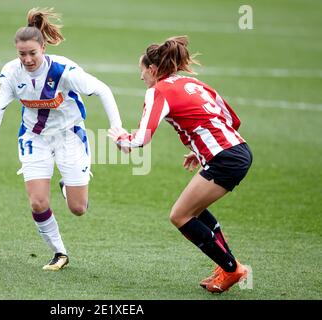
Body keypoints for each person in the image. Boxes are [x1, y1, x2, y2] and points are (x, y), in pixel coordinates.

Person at [0, 8, 122, 271]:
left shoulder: (64, 70)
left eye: (32, 53)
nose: (27, 59)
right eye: (22, 54)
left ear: (43, 48)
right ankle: (60, 252)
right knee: (37, 201)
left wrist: (117, 129)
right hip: (34, 138)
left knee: (78, 208)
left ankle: (67, 186)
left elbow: (103, 90)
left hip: (70, 137)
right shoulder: (11, 72)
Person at [108, 36, 252, 293]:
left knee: (180, 215)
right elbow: (232, 119)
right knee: (194, 210)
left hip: (225, 158)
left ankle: (232, 268)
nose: (141, 77)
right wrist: (201, 151)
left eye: (142, 71)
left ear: (152, 70)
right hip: (237, 150)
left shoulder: (157, 90)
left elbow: (141, 138)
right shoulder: (193, 83)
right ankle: (226, 266)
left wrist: (121, 138)